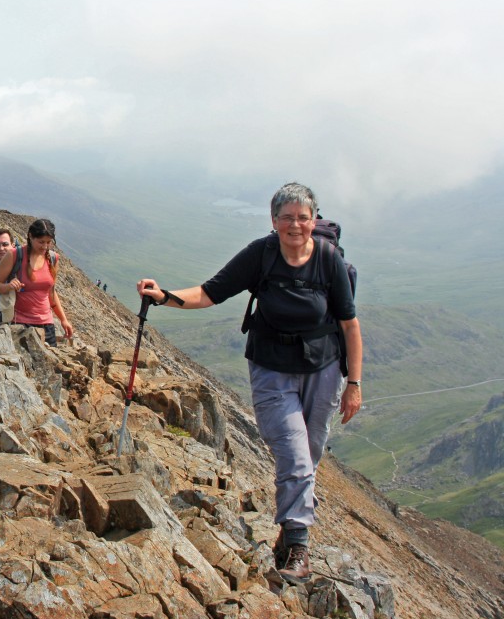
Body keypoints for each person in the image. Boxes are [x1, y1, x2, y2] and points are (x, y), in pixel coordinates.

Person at [135, 182, 362, 585]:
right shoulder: (262, 254)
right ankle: (298, 544)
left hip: (323, 369)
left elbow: (349, 324)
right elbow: (210, 293)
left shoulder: (327, 259)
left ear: (314, 220)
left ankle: (288, 532)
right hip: (271, 368)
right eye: (287, 217)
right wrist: (164, 296)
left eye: (303, 217)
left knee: (309, 453)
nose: (295, 225)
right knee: (293, 453)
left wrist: (354, 382)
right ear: (273, 221)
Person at [0, 218, 74, 347]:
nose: (45, 246)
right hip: (20, 323)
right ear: (30, 236)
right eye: (41, 242)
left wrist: (63, 320)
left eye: (48, 242)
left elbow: (51, 293)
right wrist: (9, 286)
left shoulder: (53, 258)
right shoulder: (14, 255)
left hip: (47, 324)